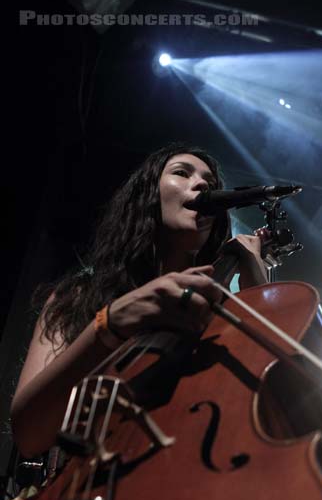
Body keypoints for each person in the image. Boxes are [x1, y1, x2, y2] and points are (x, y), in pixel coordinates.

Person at [11, 142, 269, 460]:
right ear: (147, 195)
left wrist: (260, 293)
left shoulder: (219, 314)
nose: (203, 184)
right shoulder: (78, 297)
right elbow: (28, 435)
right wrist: (109, 323)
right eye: (182, 173)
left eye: (210, 183)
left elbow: (286, 413)